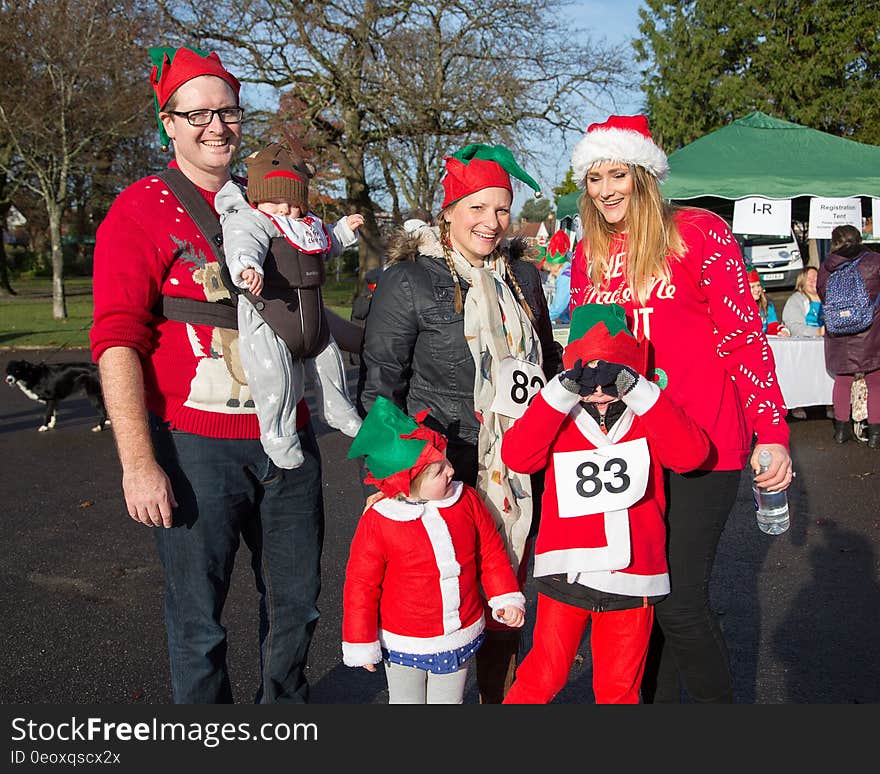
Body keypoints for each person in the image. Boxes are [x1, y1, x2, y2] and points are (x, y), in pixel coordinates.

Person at [90, 45, 324, 703]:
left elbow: (308, 315)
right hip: (196, 447)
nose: (215, 127)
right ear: (168, 122)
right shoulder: (139, 209)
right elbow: (117, 340)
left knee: (297, 610)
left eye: (226, 112)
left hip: (289, 437)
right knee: (199, 623)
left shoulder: (270, 206)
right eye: (197, 115)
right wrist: (139, 462)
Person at [568, 114, 792, 704]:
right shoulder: (586, 252)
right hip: (627, 447)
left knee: (680, 600)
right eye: (594, 179)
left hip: (705, 440)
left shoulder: (698, 231)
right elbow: (585, 348)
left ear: (643, 174)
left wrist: (772, 432)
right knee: (644, 594)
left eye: (618, 174)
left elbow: (744, 339)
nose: (607, 189)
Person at [357, 143, 563, 703]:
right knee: (441, 598)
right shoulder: (409, 281)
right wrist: (385, 481)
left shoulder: (522, 275)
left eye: (501, 209)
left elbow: (547, 361)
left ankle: (499, 698)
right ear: (449, 210)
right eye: (477, 208)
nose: (491, 223)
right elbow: (382, 383)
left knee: (505, 590)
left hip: (515, 463)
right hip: (440, 468)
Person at [500, 304, 709, 703]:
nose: (598, 389)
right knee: (542, 677)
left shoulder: (647, 413)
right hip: (567, 571)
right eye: (587, 376)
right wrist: (560, 392)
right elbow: (518, 456)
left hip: (633, 575)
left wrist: (640, 392)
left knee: (618, 691)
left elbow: (691, 455)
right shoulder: (561, 414)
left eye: (609, 376)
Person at [342, 396, 526, 703]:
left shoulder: (464, 499)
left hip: (459, 631)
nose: (451, 471)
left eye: (446, 460)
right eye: (439, 470)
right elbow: (361, 584)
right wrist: (361, 639)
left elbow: (491, 552)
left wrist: (504, 595)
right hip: (404, 639)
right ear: (407, 482)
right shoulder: (381, 521)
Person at [217, 140, 363, 468]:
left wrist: (343, 230)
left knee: (331, 365)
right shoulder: (250, 220)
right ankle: (278, 434)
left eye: (292, 203)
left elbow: (327, 243)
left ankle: (340, 412)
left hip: (312, 319)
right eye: (275, 200)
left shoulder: (305, 224)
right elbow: (241, 245)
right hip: (269, 319)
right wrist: (246, 268)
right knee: (275, 381)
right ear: (257, 198)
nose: (284, 209)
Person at [817, 225, 880, 448]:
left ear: (834, 242)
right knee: (875, 382)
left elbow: (822, 294)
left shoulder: (827, 266)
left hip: (839, 332)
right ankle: (874, 435)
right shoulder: (875, 261)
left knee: (842, 381)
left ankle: (841, 432)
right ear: (859, 239)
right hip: (870, 331)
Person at [782, 266, 825, 337]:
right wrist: (818, 331)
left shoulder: (830, 299)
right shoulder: (796, 300)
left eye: (815, 277)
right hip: (806, 343)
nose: (813, 281)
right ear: (802, 283)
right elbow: (794, 328)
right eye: (809, 279)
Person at [748, 267, 790, 337]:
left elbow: (772, 327)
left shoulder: (767, 304)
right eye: (752, 287)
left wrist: (781, 331)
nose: (757, 289)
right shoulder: (736, 308)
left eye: (758, 285)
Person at [544, 229, 573, 325]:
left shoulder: (565, 277)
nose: (551, 273)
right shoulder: (570, 270)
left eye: (551, 269)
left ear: (556, 266)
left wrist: (542, 320)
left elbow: (558, 306)